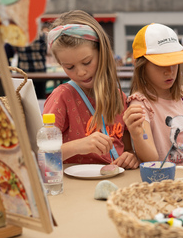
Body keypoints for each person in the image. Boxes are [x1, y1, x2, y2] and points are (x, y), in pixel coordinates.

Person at [43, 10, 139, 169]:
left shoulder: (118, 97)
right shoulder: (61, 96)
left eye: (87, 62)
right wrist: (79, 146)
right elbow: (43, 154)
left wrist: (131, 157)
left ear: (102, 53)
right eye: (69, 67)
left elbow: (127, 150)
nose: (80, 72)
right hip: (76, 188)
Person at [123, 23, 183, 165]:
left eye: (174, 62)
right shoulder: (140, 102)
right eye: (160, 65)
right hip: (157, 180)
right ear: (141, 66)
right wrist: (137, 135)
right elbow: (150, 159)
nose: (169, 71)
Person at [14, 27, 48, 99]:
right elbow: (45, 51)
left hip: (23, 72)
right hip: (40, 72)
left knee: (24, 99)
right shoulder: (42, 35)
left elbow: (15, 51)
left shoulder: (18, 35)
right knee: (40, 97)